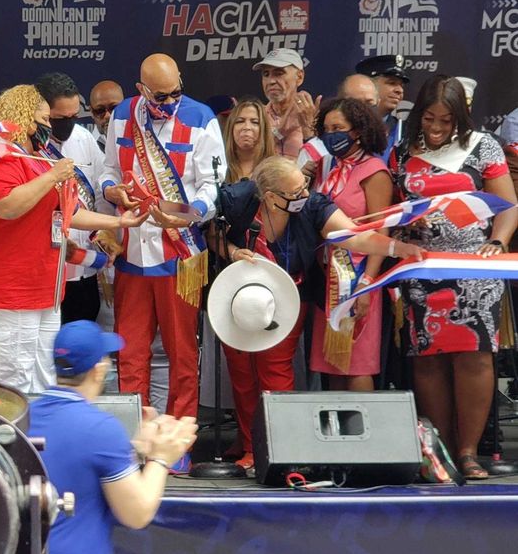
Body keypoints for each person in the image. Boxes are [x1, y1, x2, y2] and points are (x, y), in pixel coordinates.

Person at [218, 156, 423, 469]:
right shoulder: (239, 199)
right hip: (238, 297)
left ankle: (278, 449)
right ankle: (249, 447)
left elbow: (355, 234)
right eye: (296, 193)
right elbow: (212, 236)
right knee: (242, 373)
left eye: (304, 187)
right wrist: (232, 252)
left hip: (289, 296)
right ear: (271, 197)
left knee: (275, 371)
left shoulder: (312, 204)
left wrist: (397, 249)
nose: (304, 195)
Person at [0, 84, 146, 394]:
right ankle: (10, 442)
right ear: (22, 118)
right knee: (12, 380)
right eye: (43, 119)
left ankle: (37, 443)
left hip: (44, 285)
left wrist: (118, 221)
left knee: (44, 378)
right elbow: (6, 206)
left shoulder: (40, 157)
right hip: (6, 289)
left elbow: (67, 213)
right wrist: (51, 177)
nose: (49, 125)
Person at [390, 75, 518, 479]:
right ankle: (440, 450)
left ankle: (467, 452)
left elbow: (508, 206)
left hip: (473, 267)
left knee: (474, 357)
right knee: (428, 359)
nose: (437, 127)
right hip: (423, 267)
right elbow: (390, 211)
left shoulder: (482, 147)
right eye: (429, 118)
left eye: (446, 120)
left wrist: (498, 241)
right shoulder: (401, 154)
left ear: (460, 117)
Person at [28, 320, 198, 554]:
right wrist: (161, 458)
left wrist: (134, 453)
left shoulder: (23, 418)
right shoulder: (101, 430)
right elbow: (137, 513)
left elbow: (75, 466)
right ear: (99, 369)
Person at [98, 53, 225, 420]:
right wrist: (111, 192)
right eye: (160, 97)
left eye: (175, 93)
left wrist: (185, 214)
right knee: (131, 352)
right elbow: (108, 169)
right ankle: (134, 435)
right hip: (132, 251)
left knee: (182, 352)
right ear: (141, 90)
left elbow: (213, 187)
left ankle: (179, 435)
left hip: (179, 253)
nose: (169, 103)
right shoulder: (123, 114)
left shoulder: (201, 118)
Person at [307, 98, 393, 391]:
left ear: (356, 131)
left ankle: (362, 434)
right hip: (329, 280)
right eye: (327, 129)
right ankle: (336, 434)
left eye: (338, 128)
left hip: (358, 277)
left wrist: (367, 282)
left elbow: (382, 230)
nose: (331, 134)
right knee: (333, 360)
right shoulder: (332, 169)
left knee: (357, 362)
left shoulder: (374, 170)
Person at [36, 72, 108, 324]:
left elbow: (99, 193)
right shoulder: (28, 146)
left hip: (84, 267)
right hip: (45, 269)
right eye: (59, 119)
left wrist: (103, 234)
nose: (68, 123)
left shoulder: (83, 137)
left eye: (74, 116)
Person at [253, 48, 319, 159]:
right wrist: (280, 131)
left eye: (279, 73)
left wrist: (308, 128)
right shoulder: (255, 116)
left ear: (299, 77)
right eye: (266, 74)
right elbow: (246, 158)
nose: (271, 81)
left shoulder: (314, 116)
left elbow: (325, 163)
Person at [356, 54, 410, 159]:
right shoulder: (340, 127)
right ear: (368, 85)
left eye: (401, 85)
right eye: (391, 83)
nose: (400, 90)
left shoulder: (405, 132)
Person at [223, 97, 275, 183]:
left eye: (255, 122)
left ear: (264, 129)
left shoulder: (275, 168)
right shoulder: (218, 166)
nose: (247, 127)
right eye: (240, 121)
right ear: (231, 127)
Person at [88, 80, 124, 151]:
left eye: (114, 108)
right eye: (100, 110)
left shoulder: (142, 141)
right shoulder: (85, 147)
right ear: (91, 112)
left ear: (125, 106)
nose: (108, 115)